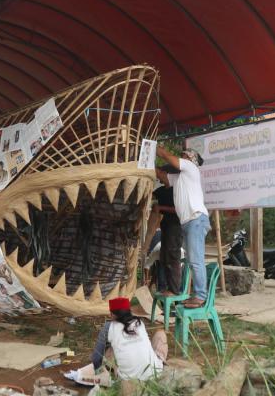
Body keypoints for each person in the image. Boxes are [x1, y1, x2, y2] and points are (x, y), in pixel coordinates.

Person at [156, 145, 210, 308]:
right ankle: (197, 294)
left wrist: (158, 150)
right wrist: (147, 161)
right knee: (191, 260)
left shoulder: (191, 167)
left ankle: (200, 296)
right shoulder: (180, 178)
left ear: (190, 158)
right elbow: (162, 176)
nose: (180, 157)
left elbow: (166, 156)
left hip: (195, 220)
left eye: (183, 155)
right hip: (189, 222)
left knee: (195, 260)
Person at [90, 297, 166, 383]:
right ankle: (161, 363)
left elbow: (96, 358)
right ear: (129, 312)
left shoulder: (109, 327)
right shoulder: (139, 322)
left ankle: (118, 368)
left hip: (127, 379)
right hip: (155, 373)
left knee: (109, 352)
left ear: (112, 314)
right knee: (160, 333)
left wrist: (98, 373)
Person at [153, 164, 183, 296]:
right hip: (166, 226)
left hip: (175, 226)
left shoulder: (178, 190)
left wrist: (161, 208)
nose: (157, 176)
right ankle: (164, 288)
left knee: (172, 257)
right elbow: (150, 197)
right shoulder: (160, 191)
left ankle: (175, 290)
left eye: (159, 173)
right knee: (164, 257)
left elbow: (179, 210)